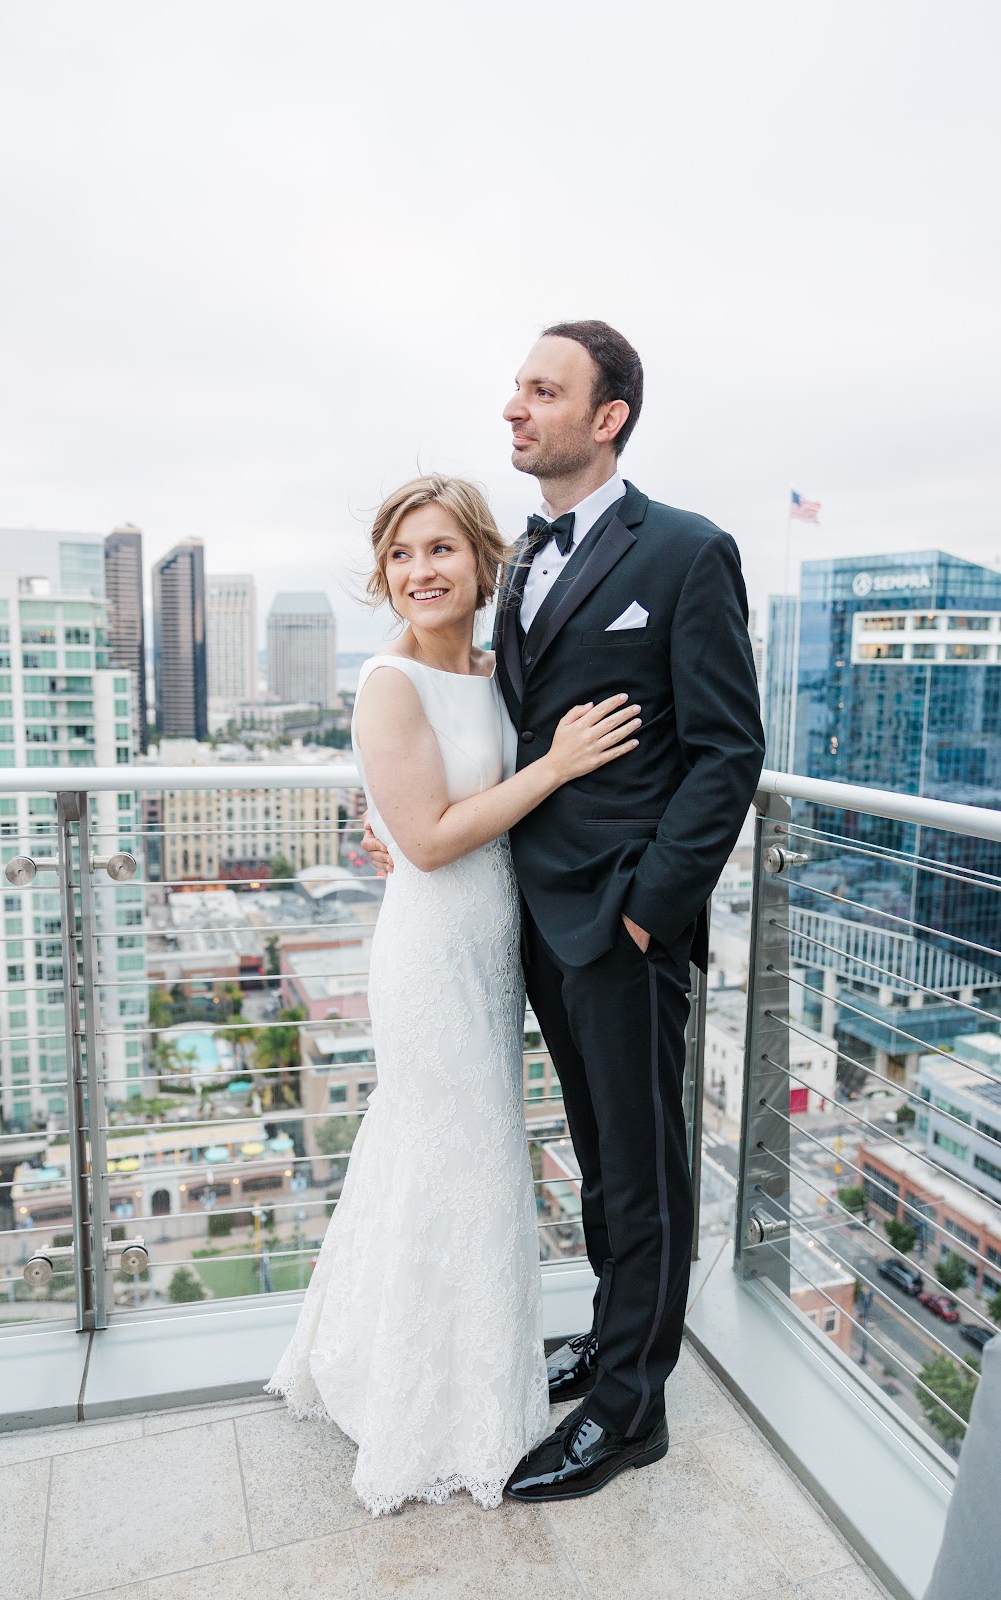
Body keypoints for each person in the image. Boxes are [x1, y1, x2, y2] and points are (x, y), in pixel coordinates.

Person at [365, 321, 765, 1501]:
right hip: (527, 919)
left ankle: (631, 1409)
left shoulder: (686, 550)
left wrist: (651, 907)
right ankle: (608, 1333)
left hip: (623, 919)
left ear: (607, 416)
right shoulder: (524, 556)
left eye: (542, 390)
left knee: (642, 1168)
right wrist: (400, 811)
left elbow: (726, 750)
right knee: (596, 1156)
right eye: (515, 389)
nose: (514, 407)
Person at [266, 472, 642, 1517]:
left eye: (438, 549)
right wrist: (554, 765)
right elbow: (428, 841)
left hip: (496, 949)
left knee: (456, 1157)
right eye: (399, 555)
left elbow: (456, 802)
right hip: (432, 955)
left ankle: (427, 1363)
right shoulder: (387, 682)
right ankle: (428, 1408)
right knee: (456, 1153)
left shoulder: (492, 670)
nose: (418, 571)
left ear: (482, 562)